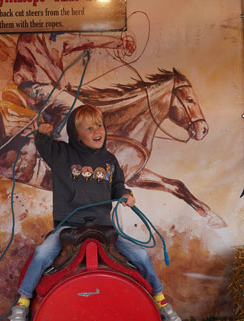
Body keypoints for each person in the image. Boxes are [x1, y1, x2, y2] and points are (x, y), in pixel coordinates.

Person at [9, 105, 181, 321]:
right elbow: (44, 146)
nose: (96, 131)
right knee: (43, 253)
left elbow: (118, 185)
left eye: (98, 126)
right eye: (89, 128)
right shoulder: (63, 153)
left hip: (104, 226)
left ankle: (161, 302)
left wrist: (126, 194)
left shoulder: (110, 160)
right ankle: (23, 302)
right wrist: (42, 133)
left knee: (140, 255)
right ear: (77, 135)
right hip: (69, 225)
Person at [12, 32, 135, 141]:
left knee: (60, 116)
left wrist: (120, 42)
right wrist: (62, 84)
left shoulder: (56, 36)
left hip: (41, 89)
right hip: (34, 87)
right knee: (77, 109)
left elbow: (85, 40)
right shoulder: (33, 36)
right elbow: (45, 64)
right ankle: (60, 148)